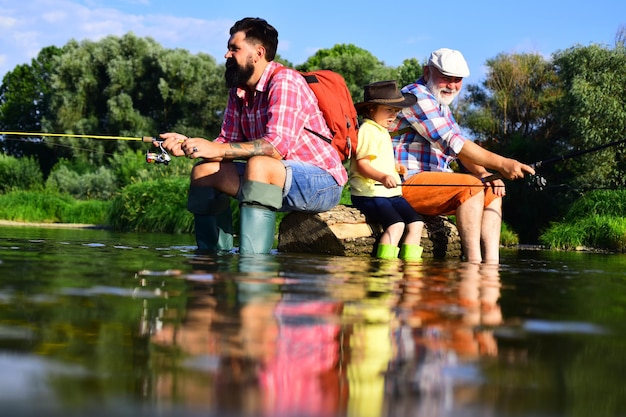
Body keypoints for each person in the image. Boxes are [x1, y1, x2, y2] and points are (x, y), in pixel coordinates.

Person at [155, 17, 347, 255]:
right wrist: (188, 144)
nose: (227, 55)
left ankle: (253, 266)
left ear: (258, 53)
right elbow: (223, 144)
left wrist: (217, 150)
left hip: (321, 182)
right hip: (272, 177)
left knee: (259, 164)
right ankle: (211, 261)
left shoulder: (285, 81)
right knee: (203, 171)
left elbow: (275, 147)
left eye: (234, 49)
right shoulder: (238, 92)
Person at [390, 48, 535, 264]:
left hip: (437, 184)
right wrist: (503, 163)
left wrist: (486, 173)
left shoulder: (441, 104)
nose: (452, 85)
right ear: (427, 72)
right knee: (472, 186)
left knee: (492, 190)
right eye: (446, 77)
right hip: (405, 182)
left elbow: (461, 149)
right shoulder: (415, 96)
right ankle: (472, 264)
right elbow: (451, 141)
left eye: (457, 79)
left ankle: (491, 267)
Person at [350, 80, 424, 260]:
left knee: (417, 223)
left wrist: (395, 168)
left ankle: (411, 266)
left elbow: (379, 160)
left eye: (396, 111)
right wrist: (383, 176)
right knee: (396, 225)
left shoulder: (381, 130)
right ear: (371, 109)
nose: (393, 115)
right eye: (388, 110)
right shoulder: (368, 129)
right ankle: (384, 271)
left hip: (389, 194)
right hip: (369, 194)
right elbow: (363, 164)